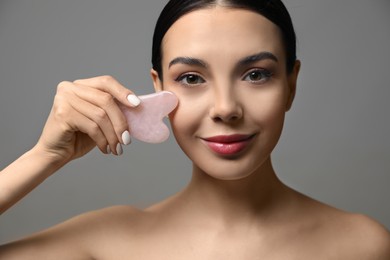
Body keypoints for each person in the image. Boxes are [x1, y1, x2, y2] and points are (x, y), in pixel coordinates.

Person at [1, 0, 389, 258]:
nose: (225, 108)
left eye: (256, 74)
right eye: (190, 78)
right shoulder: (106, 246)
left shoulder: (364, 245)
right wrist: (44, 158)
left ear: (291, 83)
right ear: (157, 89)